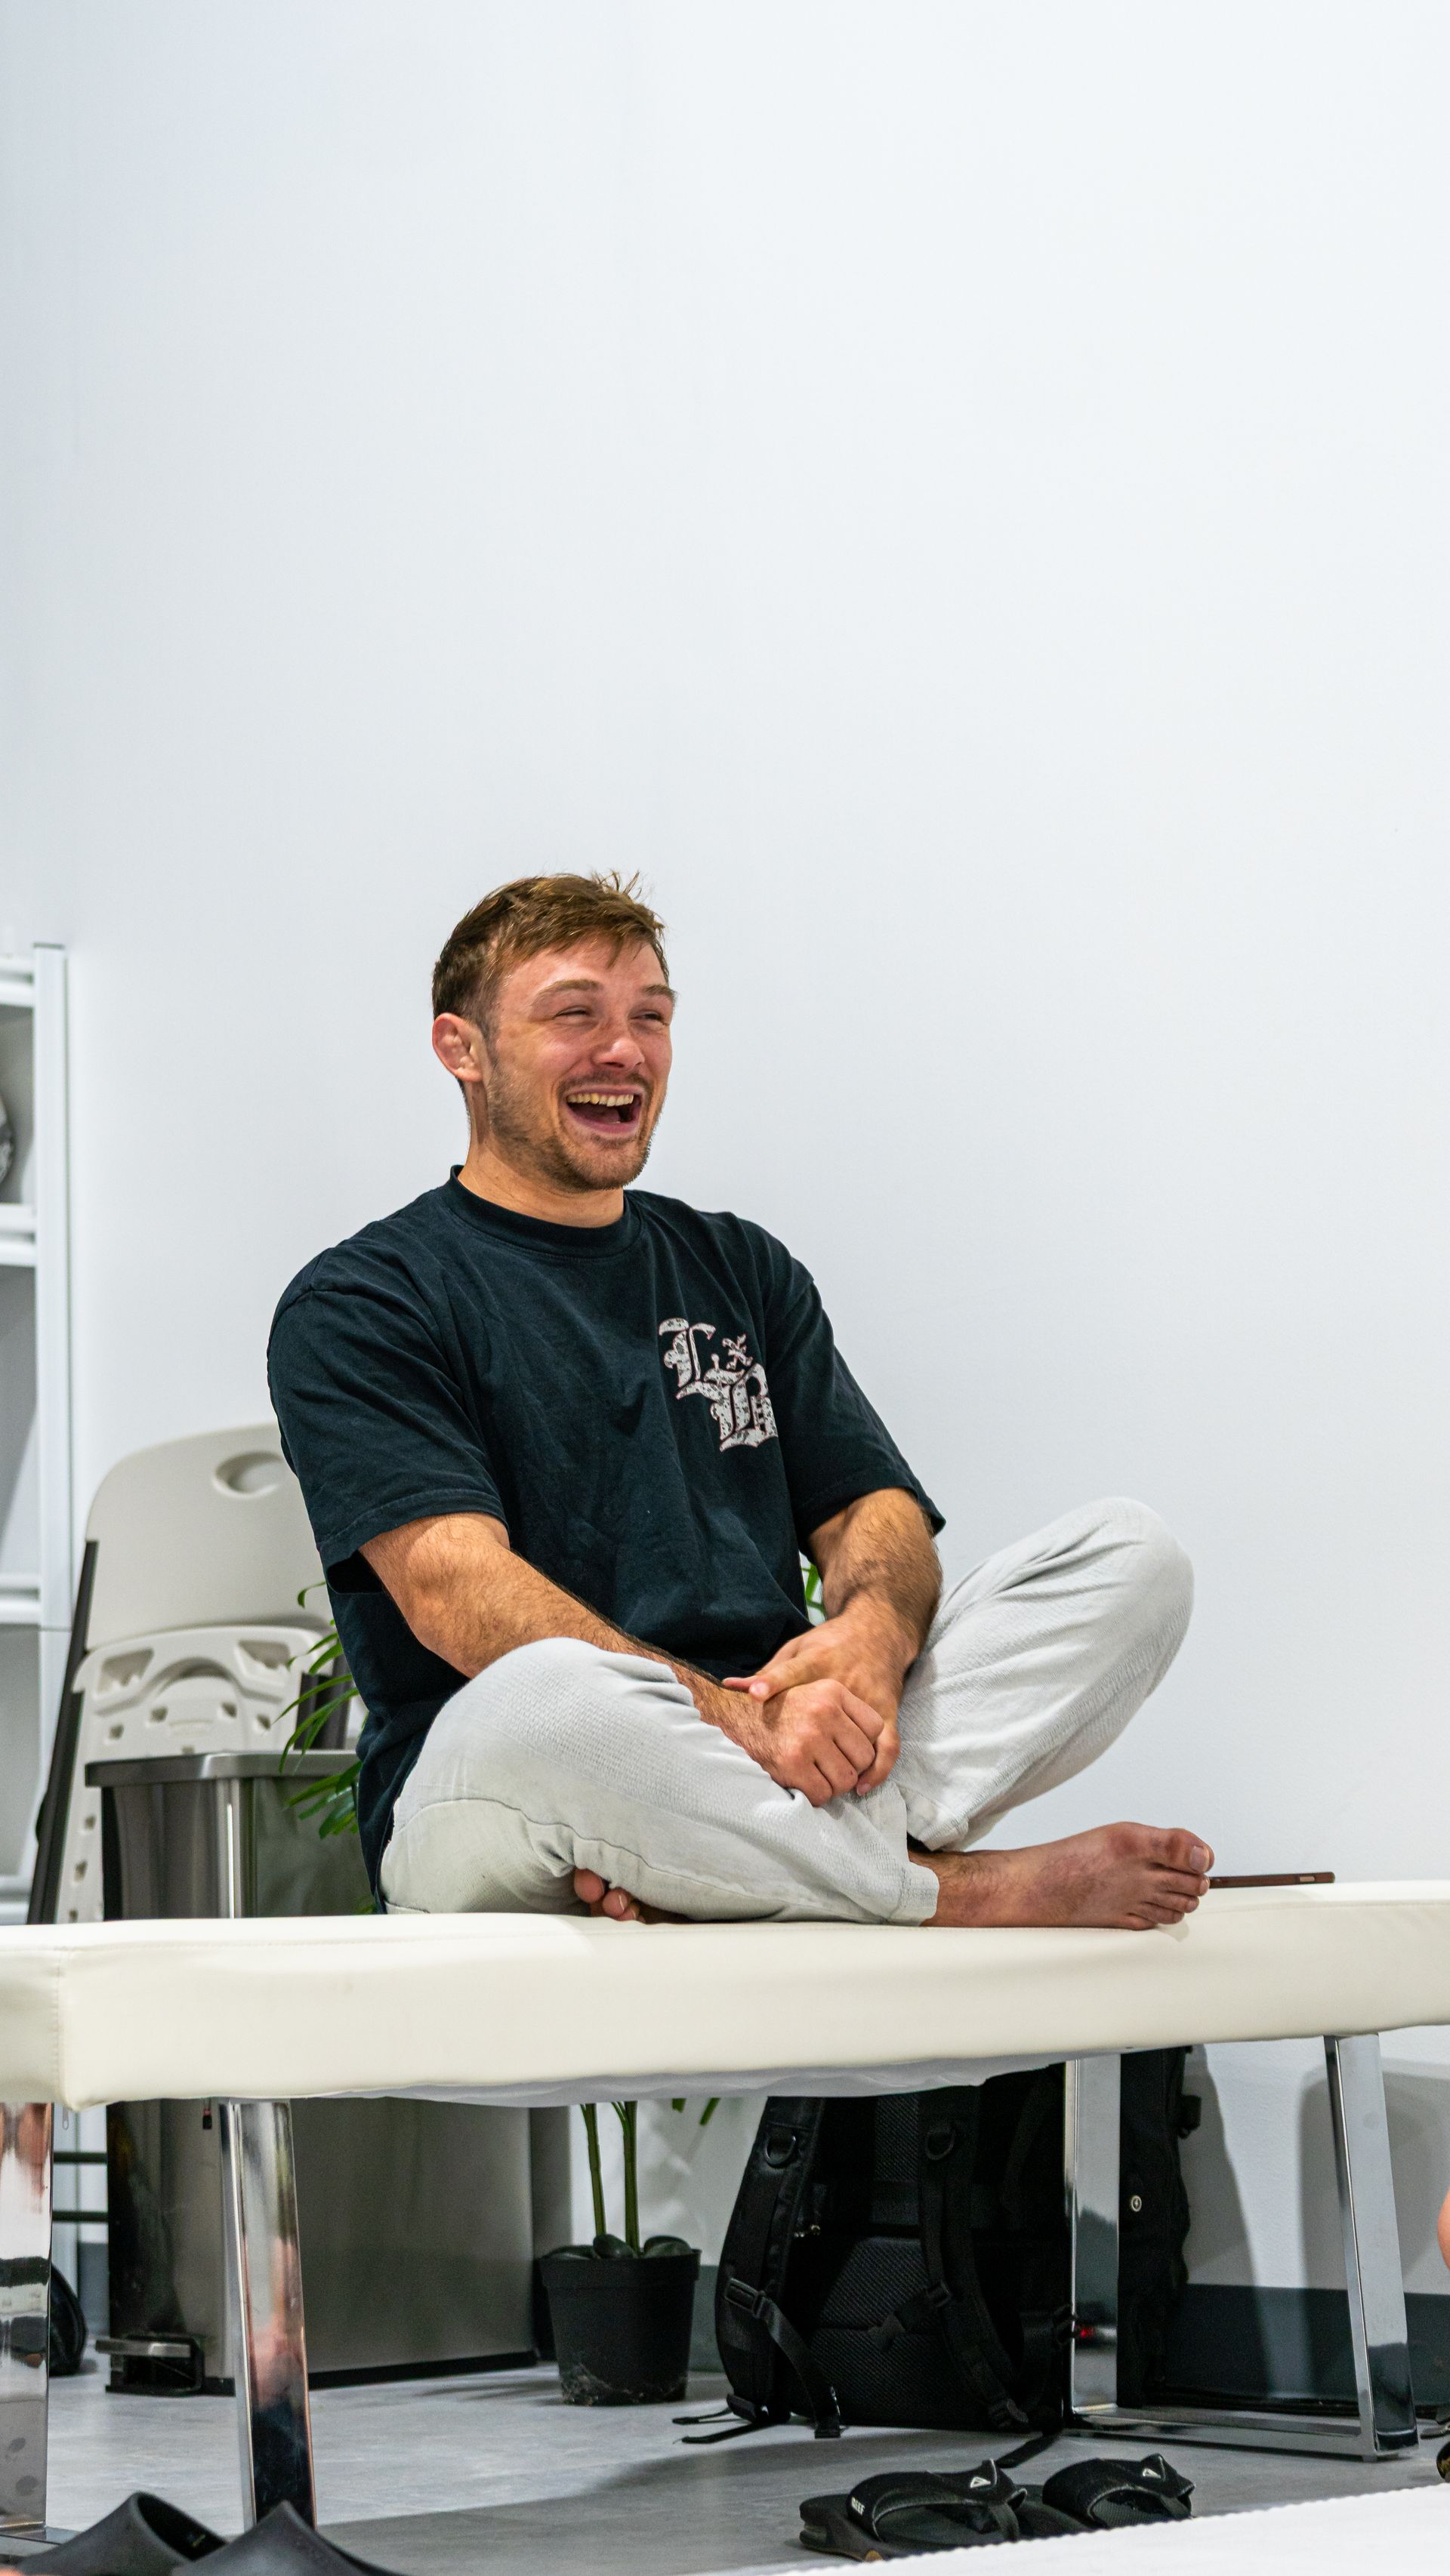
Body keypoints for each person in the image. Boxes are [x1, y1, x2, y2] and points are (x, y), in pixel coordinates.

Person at [268, 872, 1211, 1933]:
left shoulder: (738, 1268)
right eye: (575, 1014)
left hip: (781, 1758)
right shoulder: (364, 1299)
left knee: (1133, 1560)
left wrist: (864, 1642)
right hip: (505, 1793)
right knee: (557, 1696)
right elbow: (456, 1596)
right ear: (463, 1049)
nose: (622, 1051)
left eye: (650, 1018)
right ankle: (953, 1890)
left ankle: (731, 1868)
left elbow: (873, 1515)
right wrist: (727, 1723)